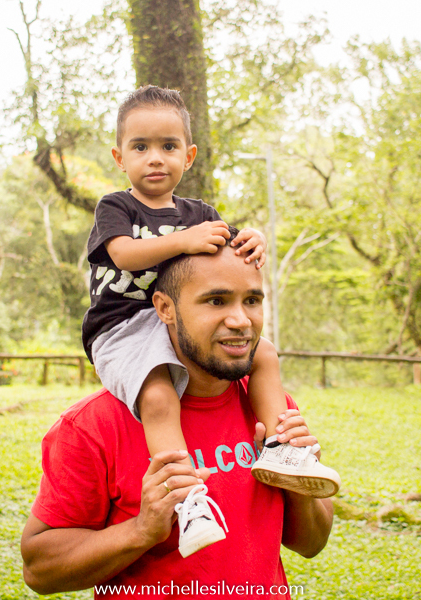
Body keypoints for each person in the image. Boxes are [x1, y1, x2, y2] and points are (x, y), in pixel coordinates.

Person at [81, 85, 340, 556]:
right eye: (140, 147)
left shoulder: (199, 214)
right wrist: (185, 241)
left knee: (263, 352)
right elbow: (124, 254)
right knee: (158, 393)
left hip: (175, 320)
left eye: (168, 146)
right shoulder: (116, 207)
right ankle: (189, 498)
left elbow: (229, 251)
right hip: (121, 324)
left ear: (190, 155)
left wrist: (253, 239)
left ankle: (283, 445)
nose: (155, 158)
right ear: (120, 157)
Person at [22, 233, 335, 598]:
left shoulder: (271, 407)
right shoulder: (94, 424)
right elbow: (39, 570)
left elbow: (311, 543)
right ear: (165, 308)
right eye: (215, 300)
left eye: (252, 300)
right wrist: (142, 530)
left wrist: (294, 480)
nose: (240, 320)